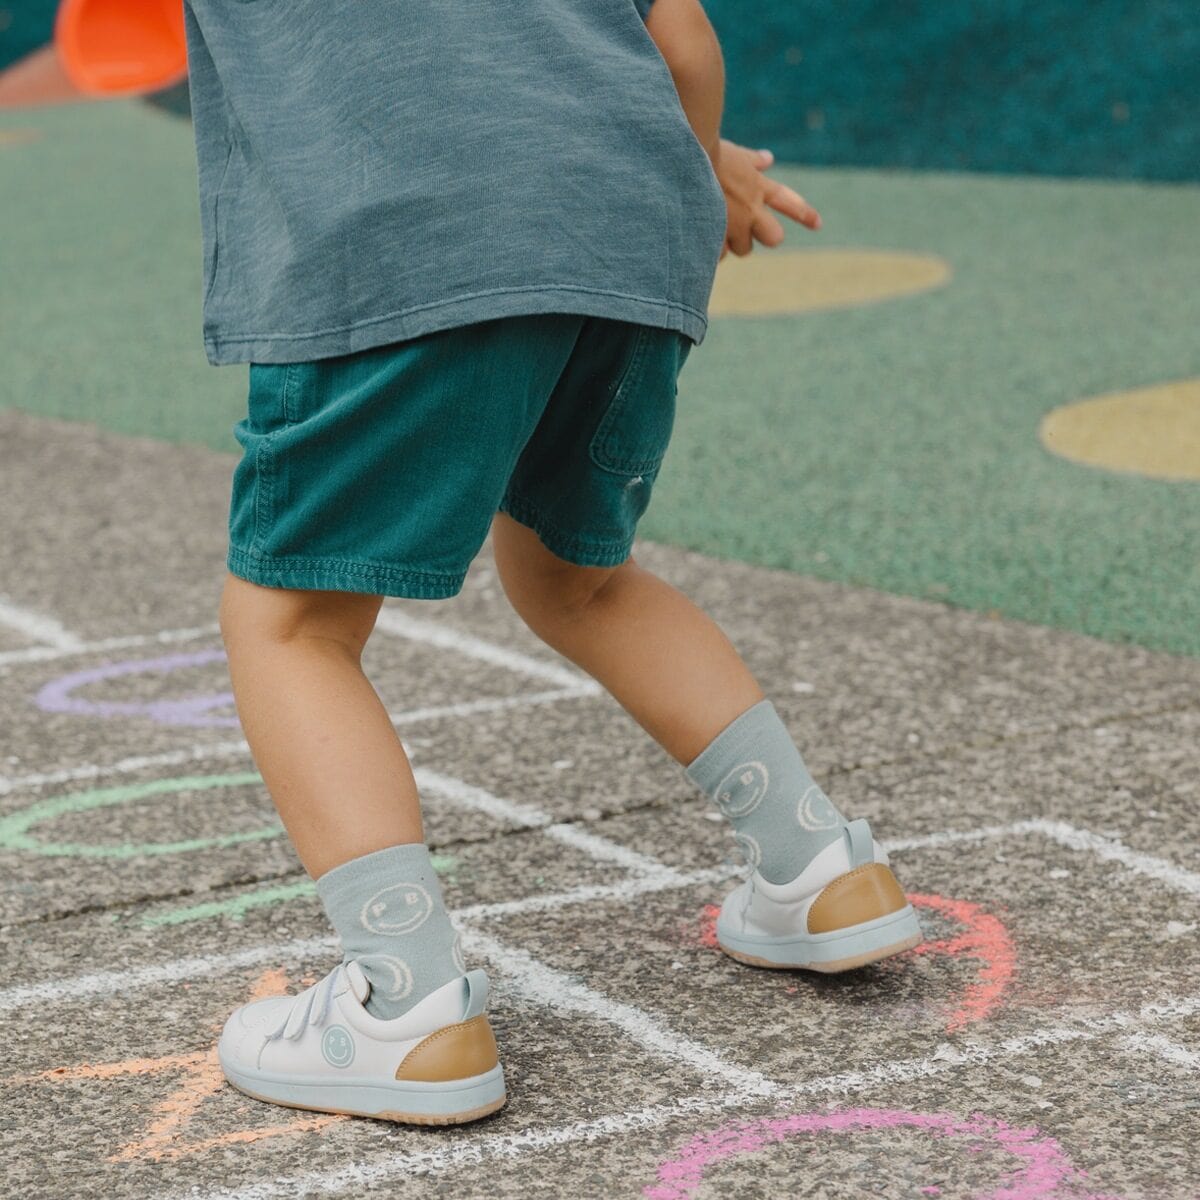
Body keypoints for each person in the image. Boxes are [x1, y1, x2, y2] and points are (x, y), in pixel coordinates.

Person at [180, 0, 923, 1126]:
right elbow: (682, 40)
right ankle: (823, 870)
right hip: (626, 216)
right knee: (577, 576)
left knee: (295, 625)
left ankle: (406, 1003)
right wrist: (698, 159)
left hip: (400, 235)